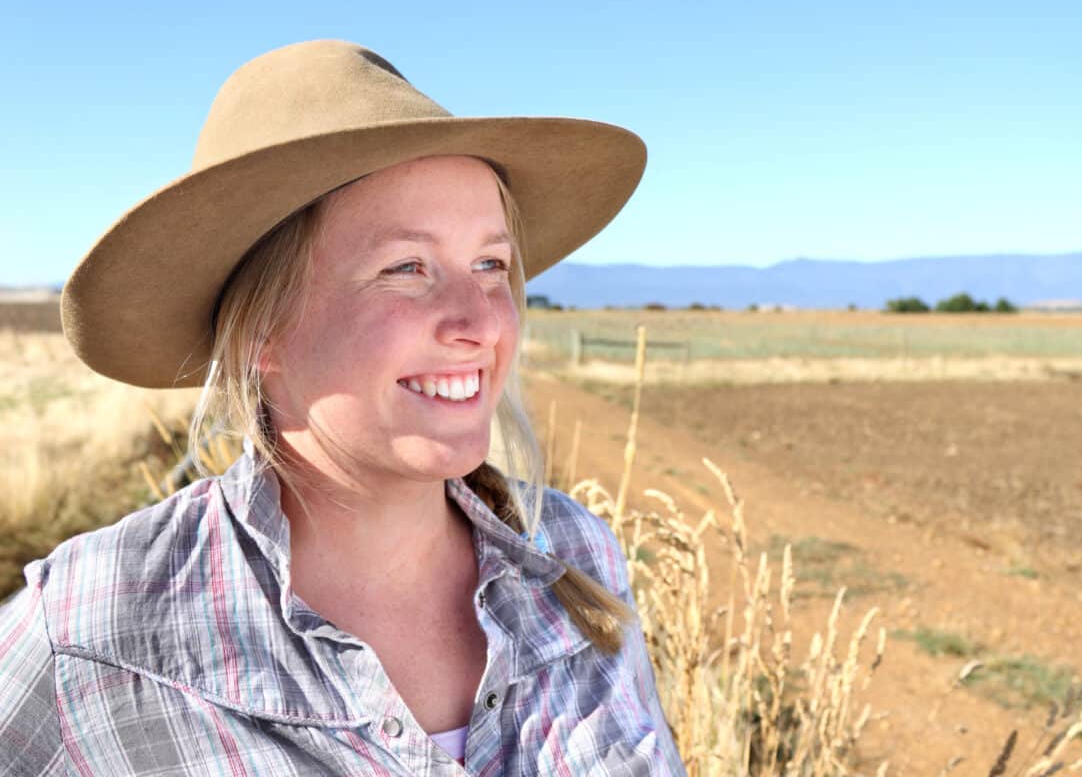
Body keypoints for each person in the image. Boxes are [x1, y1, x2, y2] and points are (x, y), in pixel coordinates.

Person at [0, 39, 684, 776]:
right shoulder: (93, 628)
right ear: (262, 332)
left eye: (491, 264)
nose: (480, 322)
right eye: (406, 268)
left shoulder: (574, 556)